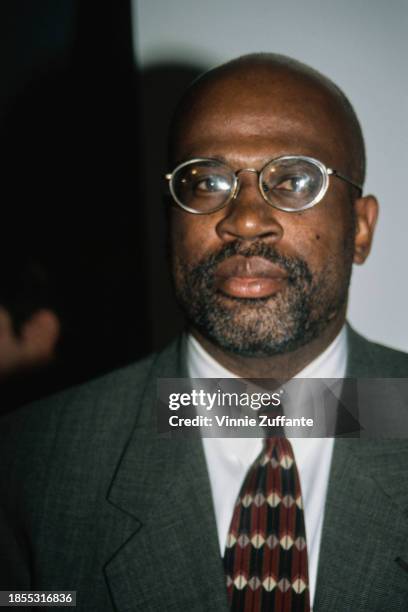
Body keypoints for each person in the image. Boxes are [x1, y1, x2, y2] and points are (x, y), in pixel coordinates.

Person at [1, 53, 408, 611]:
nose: (243, 219)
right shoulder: (29, 463)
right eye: (207, 181)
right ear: (170, 220)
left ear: (360, 229)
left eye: (293, 180)